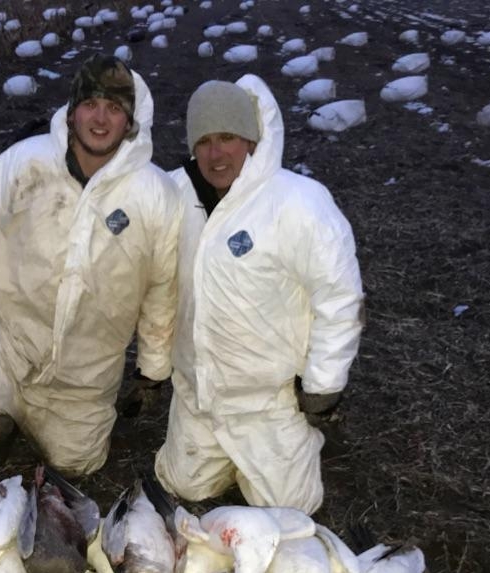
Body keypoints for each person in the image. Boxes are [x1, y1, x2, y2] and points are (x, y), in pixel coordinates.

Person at [0, 55, 179, 476]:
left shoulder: (156, 195)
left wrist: (152, 372)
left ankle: (49, 422)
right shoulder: (22, 163)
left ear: (131, 122)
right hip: (7, 340)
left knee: (78, 465)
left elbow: (162, 289)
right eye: (90, 104)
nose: (100, 119)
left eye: (115, 109)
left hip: (86, 367)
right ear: (71, 112)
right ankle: (0, 427)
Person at [154, 76, 365, 515]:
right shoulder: (175, 194)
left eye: (228, 137)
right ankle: (218, 456)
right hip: (199, 396)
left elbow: (339, 296)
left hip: (269, 402)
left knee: (292, 510)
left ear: (251, 139)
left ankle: (287, 449)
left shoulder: (298, 202)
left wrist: (323, 384)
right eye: (205, 141)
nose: (216, 153)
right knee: (182, 487)